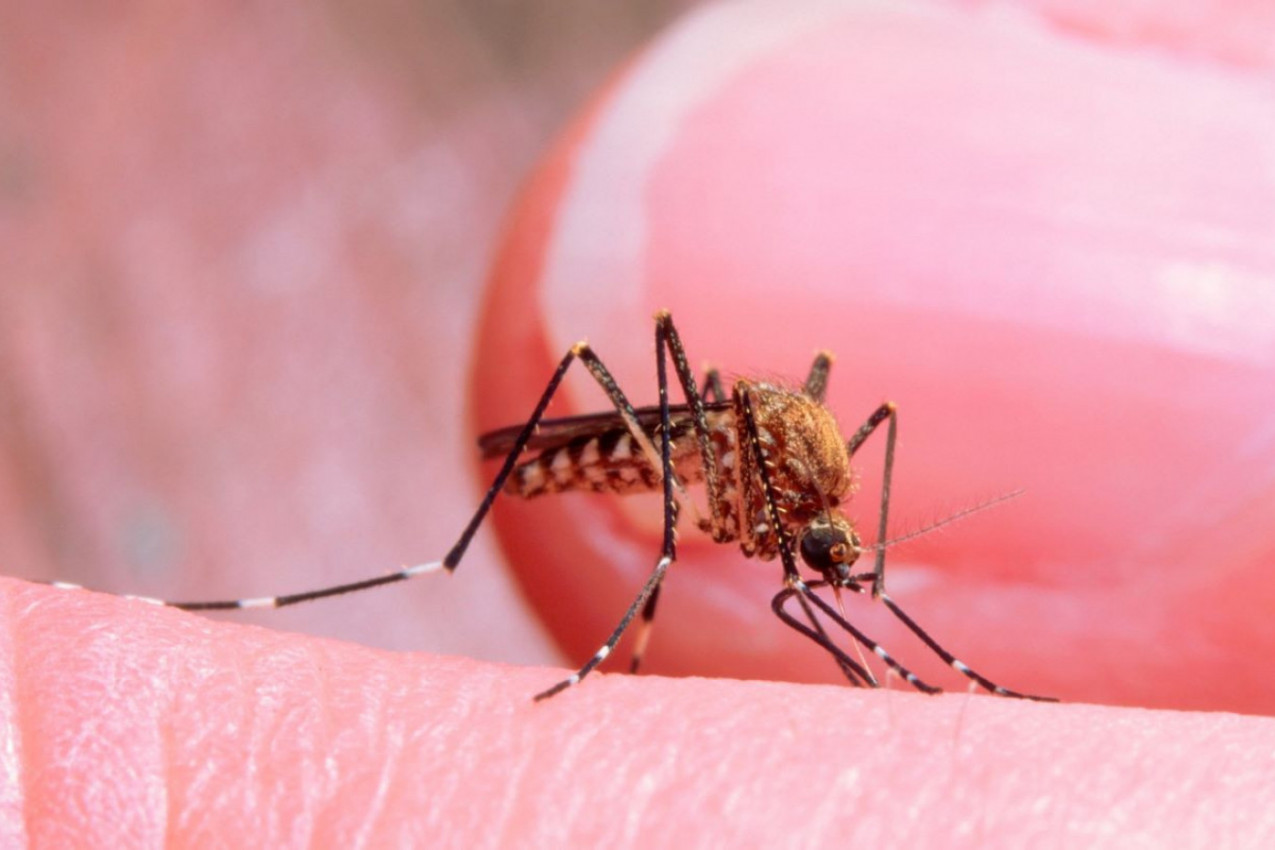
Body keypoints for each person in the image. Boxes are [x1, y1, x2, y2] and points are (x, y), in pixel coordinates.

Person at [4, 1, 1273, 844]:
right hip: (652, 445)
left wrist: (917, 664)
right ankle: (469, 560)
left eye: (836, 560)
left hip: (721, 460)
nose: (833, 573)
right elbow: (751, 433)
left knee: (837, 430)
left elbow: (816, 565)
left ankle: (912, 670)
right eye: (836, 560)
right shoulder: (781, 492)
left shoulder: (817, 524)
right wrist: (680, 549)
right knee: (702, 430)